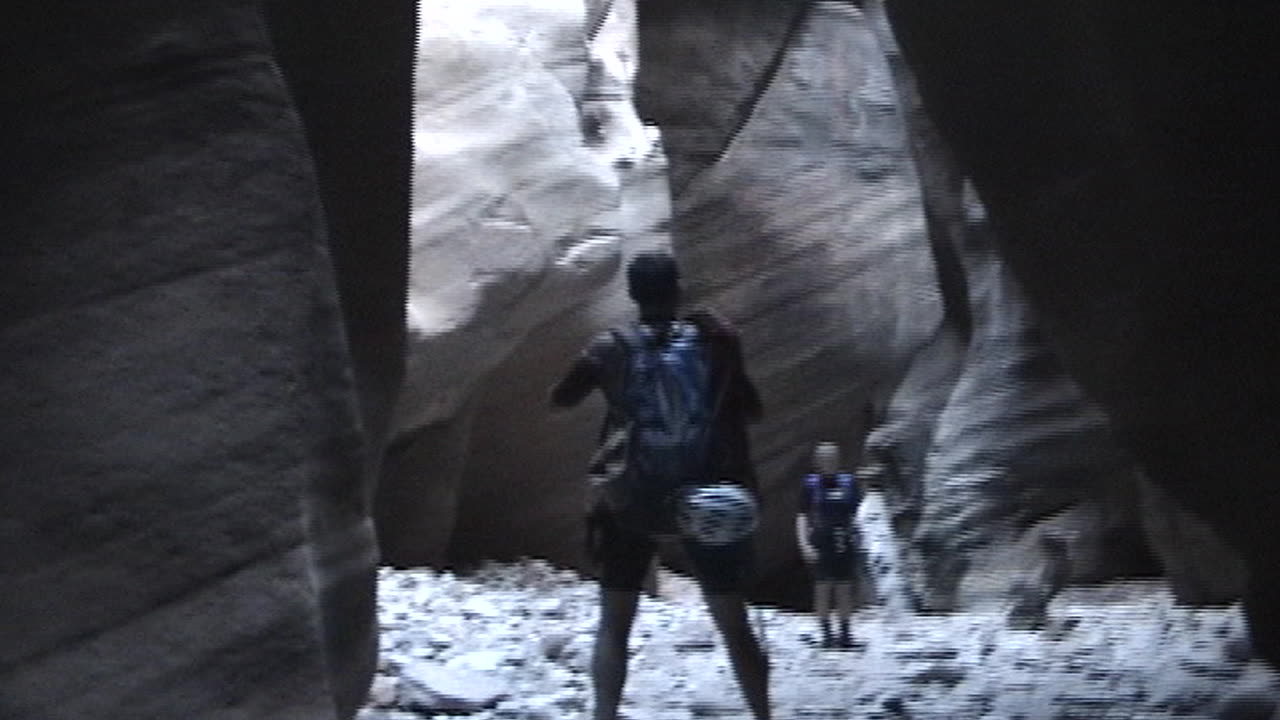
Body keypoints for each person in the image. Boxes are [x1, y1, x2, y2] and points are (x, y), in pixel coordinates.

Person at [550, 251, 771, 720]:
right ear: (677, 289)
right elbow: (749, 408)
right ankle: (762, 713)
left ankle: (605, 714)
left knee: (615, 624)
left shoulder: (610, 346)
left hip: (630, 499)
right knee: (734, 623)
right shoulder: (713, 343)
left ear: (632, 293)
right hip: (705, 498)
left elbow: (561, 399)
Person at [795, 441, 862, 649]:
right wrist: (804, 543)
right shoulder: (810, 485)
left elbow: (857, 514)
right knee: (822, 587)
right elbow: (802, 515)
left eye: (833, 457)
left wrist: (859, 539)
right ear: (817, 461)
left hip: (843, 538)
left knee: (844, 587)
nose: (830, 462)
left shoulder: (848, 483)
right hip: (821, 539)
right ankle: (825, 632)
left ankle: (845, 632)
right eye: (825, 458)